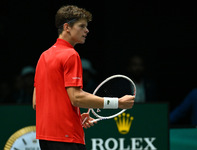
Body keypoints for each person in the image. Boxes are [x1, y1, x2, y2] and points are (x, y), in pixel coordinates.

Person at [32, 5, 134, 150]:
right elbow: (76, 98)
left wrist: (76, 117)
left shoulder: (44, 56)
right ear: (67, 27)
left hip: (45, 138)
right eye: (82, 26)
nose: (87, 30)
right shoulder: (71, 55)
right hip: (67, 138)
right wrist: (117, 103)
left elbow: (36, 102)